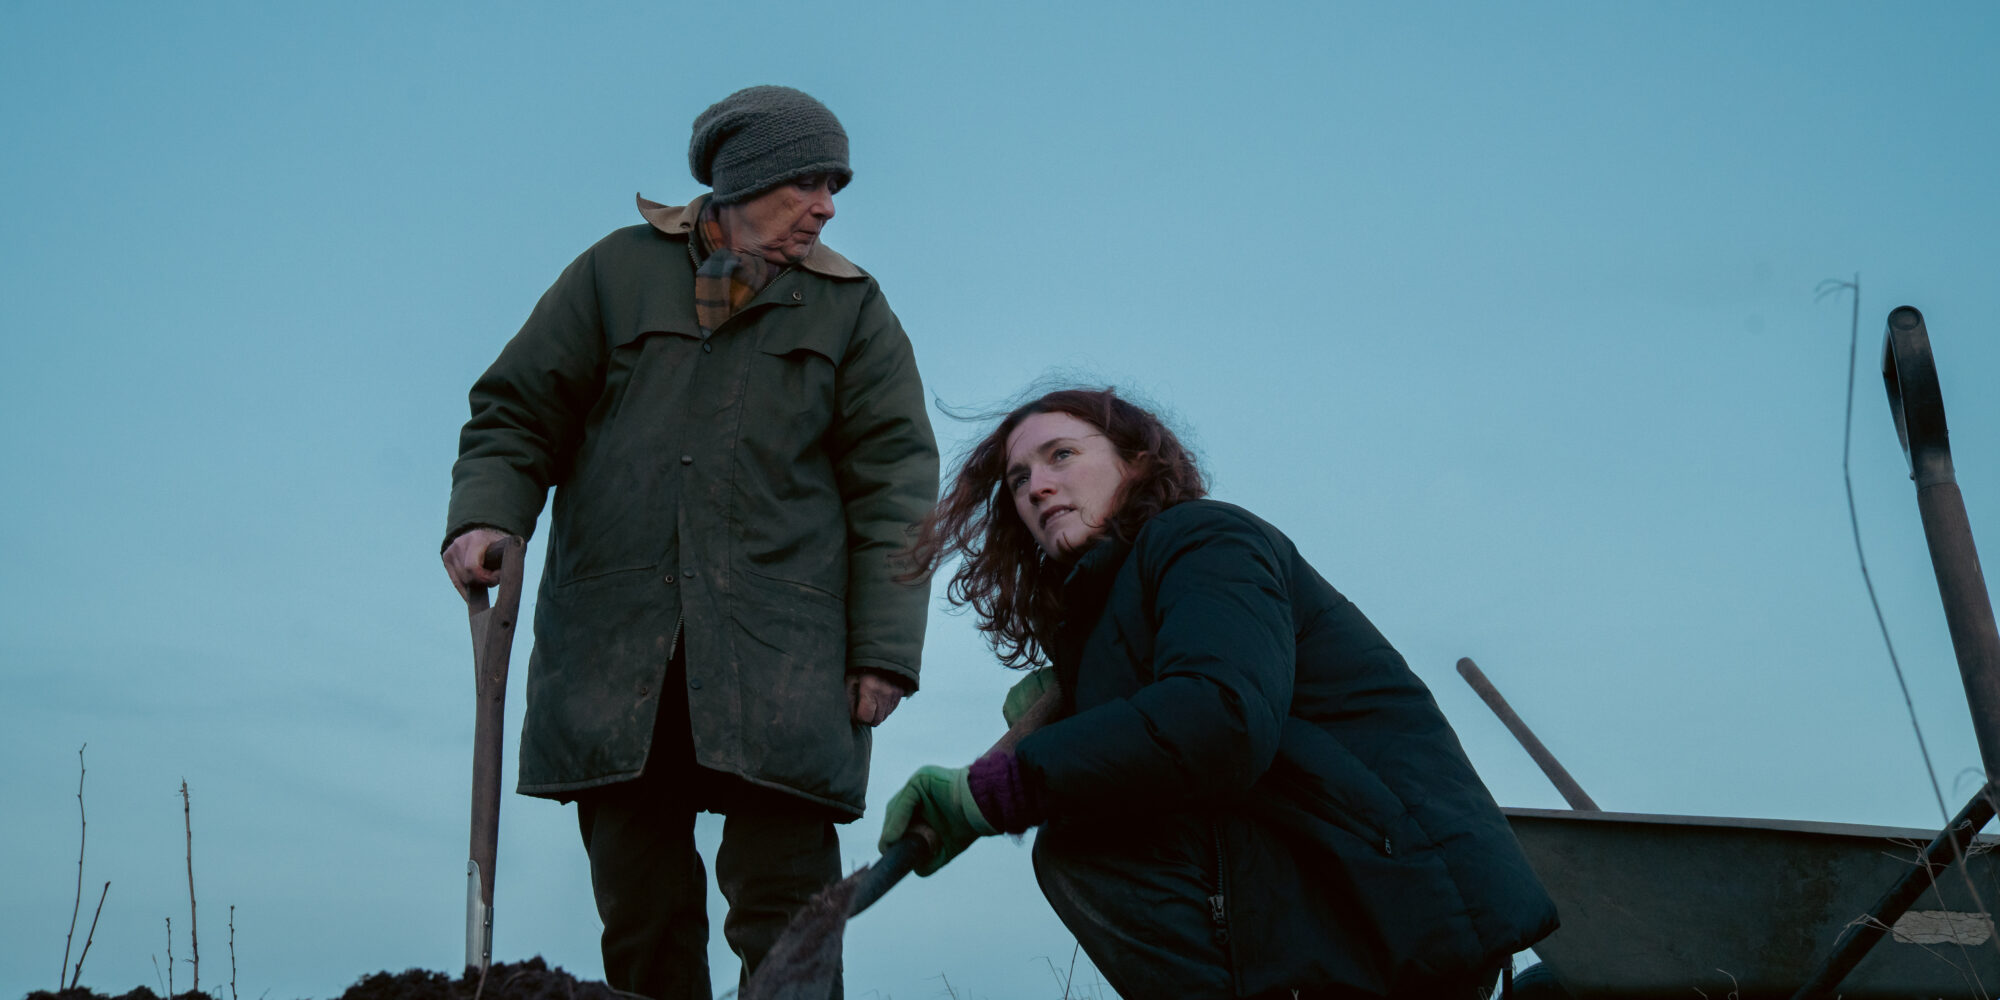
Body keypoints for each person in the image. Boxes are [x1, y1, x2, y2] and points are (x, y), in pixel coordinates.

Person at [441, 85, 937, 1000]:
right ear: (747, 180)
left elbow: (897, 486)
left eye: (836, 186)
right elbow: (517, 410)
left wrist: (883, 651)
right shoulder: (614, 273)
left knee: (789, 913)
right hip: (619, 644)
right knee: (643, 914)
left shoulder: (853, 310)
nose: (830, 206)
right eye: (811, 183)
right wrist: (487, 514)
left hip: (783, 657)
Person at [884, 387, 1557, 999]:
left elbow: (1217, 719)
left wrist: (1000, 789)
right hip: (1313, 884)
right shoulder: (1109, 621)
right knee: (1082, 832)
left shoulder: (1206, 540)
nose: (1037, 486)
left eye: (1061, 455)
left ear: (1138, 461)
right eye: (1019, 478)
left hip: (1393, 888)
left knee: (1090, 843)